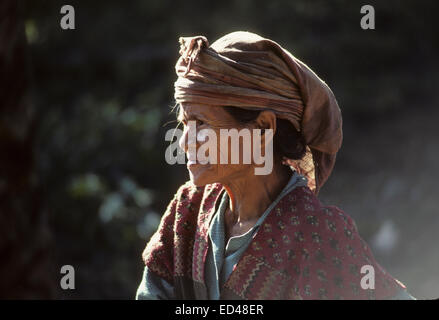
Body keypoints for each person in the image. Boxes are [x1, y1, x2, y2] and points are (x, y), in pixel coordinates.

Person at [136, 31, 414, 300]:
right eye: (185, 124)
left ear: (263, 128)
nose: (185, 142)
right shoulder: (187, 214)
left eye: (202, 124)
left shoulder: (318, 236)